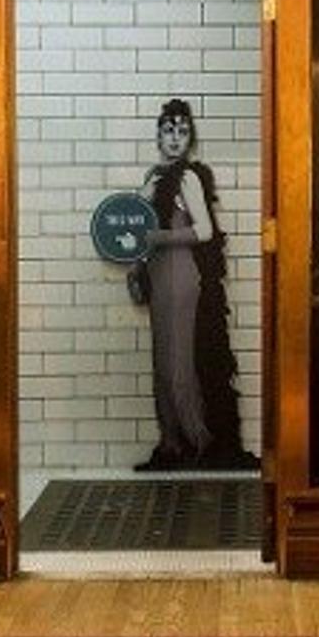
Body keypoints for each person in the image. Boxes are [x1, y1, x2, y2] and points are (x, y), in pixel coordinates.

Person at [133, 99, 256, 473]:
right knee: (161, 365)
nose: (175, 138)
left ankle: (201, 442)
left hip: (182, 276)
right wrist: (138, 266)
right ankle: (171, 444)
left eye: (182, 131)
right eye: (168, 130)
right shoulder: (153, 177)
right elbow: (137, 233)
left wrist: (157, 238)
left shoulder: (187, 177)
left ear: (191, 138)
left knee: (178, 367)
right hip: (158, 275)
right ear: (158, 135)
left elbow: (204, 230)